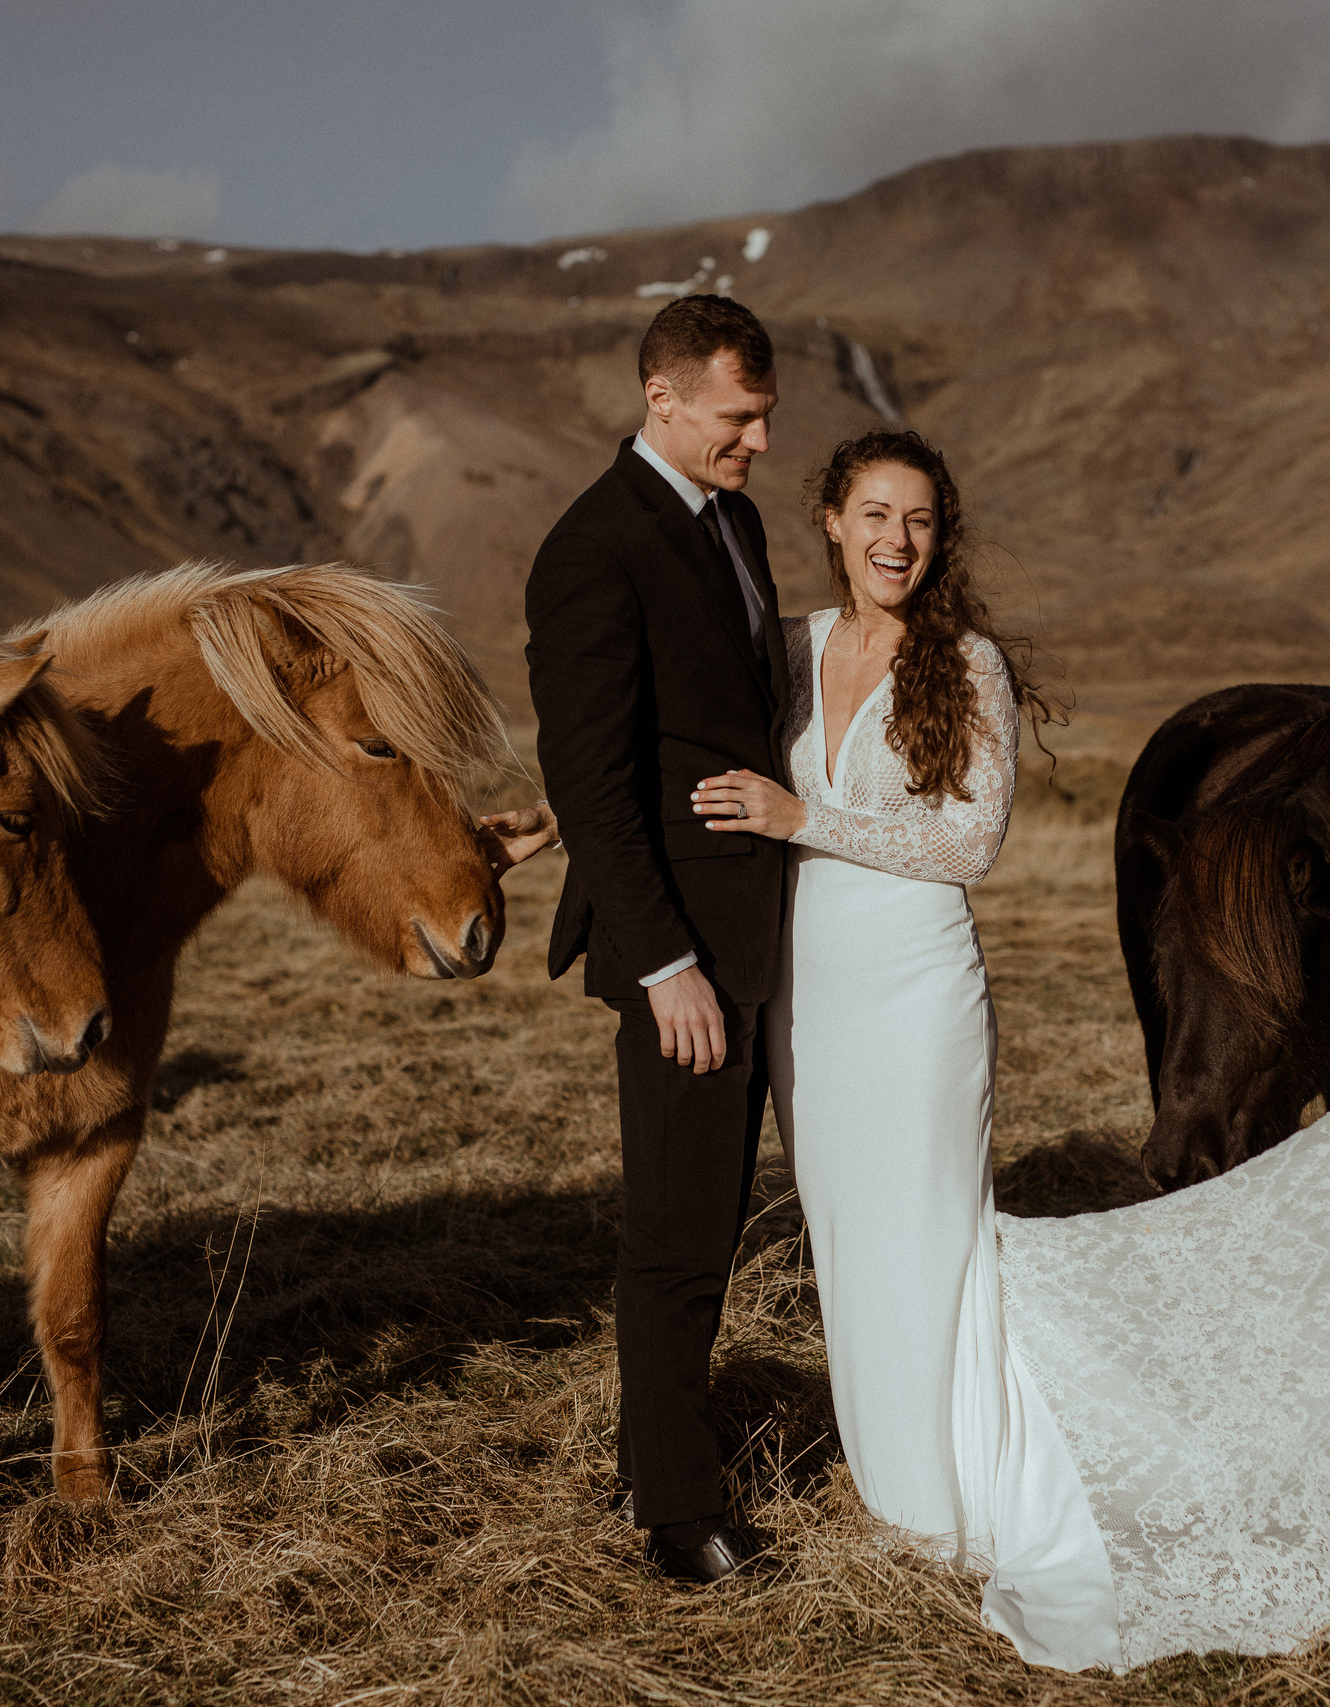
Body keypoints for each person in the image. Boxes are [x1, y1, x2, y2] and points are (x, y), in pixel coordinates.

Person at [689, 430, 1330, 1668]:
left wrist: (808, 815)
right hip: (811, 996)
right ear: (832, 520)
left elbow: (970, 844)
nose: (896, 540)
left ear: (935, 539)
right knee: (845, 1233)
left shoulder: (967, 664)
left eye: (919, 521)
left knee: (926, 1233)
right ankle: (894, 1473)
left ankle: (960, 1495)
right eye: (874, 515)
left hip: (910, 988)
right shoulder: (787, 653)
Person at [523, 295, 790, 1585]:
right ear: (663, 399)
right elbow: (590, 781)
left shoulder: (730, 522)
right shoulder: (592, 549)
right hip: (680, 952)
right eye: (737, 420)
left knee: (719, 1220)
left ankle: (650, 1452)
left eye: (764, 420)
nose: (755, 446)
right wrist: (667, 965)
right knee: (679, 1234)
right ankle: (676, 1516)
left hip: (758, 934)